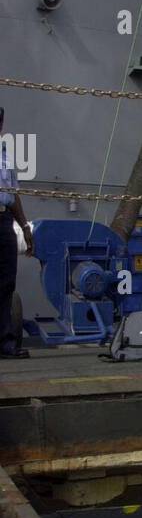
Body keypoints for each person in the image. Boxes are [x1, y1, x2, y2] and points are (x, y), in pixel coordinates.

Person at [0, 107, 33, 360]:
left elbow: (13, 196)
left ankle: (5, 344)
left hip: (4, 219)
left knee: (6, 282)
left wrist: (23, 227)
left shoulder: (6, 158)